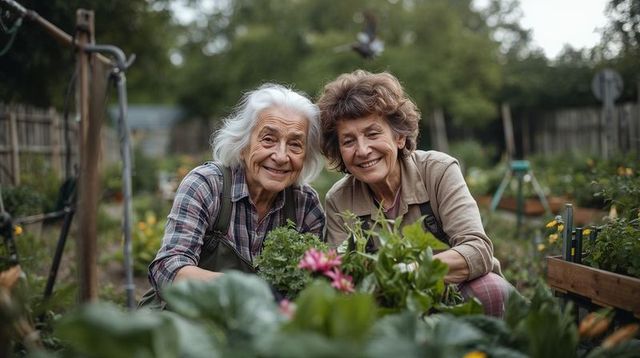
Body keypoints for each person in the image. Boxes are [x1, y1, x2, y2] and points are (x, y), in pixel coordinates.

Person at [317, 70, 513, 317]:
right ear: (339, 151)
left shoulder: (437, 171)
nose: (363, 150)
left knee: (490, 290)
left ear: (399, 137)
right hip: (390, 307)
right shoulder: (339, 200)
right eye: (348, 141)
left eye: (372, 133)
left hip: (455, 293)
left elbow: (477, 250)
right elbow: (343, 276)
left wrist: (412, 270)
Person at [146, 84, 325, 303]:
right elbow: (167, 270)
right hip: (193, 321)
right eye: (268, 139)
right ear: (243, 144)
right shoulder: (207, 185)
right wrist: (245, 290)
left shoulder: (305, 206)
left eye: (295, 144)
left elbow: (313, 287)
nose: (280, 156)